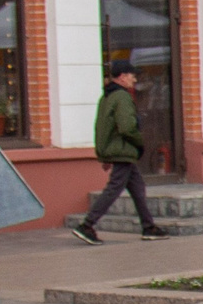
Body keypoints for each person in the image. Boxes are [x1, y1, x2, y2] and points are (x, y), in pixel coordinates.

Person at [72, 66, 172, 245]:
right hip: (123, 150)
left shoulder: (107, 97)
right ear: (122, 76)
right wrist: (139, 143)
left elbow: (101, 127)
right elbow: (126, 127)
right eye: (132, 76)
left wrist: (104, 154)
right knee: (114, 188)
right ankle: (87, 225)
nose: (134, 80)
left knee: (137, 187)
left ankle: (149, 227)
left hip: (116, 150)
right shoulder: (122, 97)